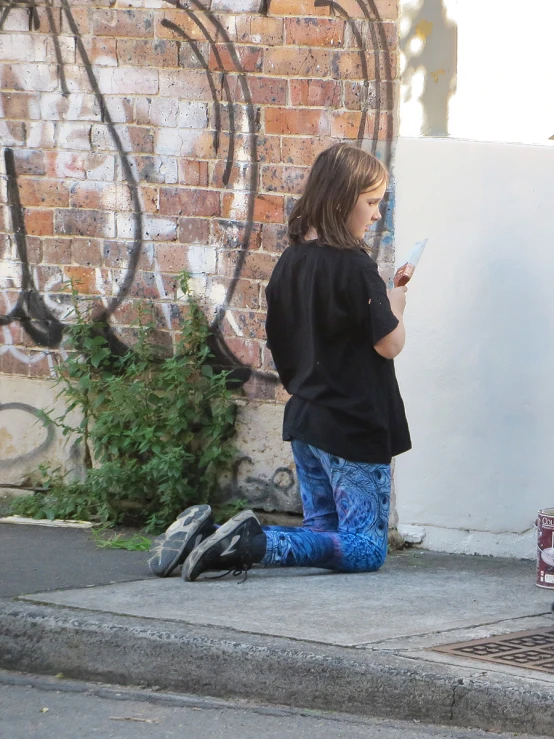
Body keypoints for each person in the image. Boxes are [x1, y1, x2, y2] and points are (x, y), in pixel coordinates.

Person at [148, 143, 411, 582]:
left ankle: (206, 535)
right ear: (343, 199)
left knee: (324, 532)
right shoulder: (356, 268)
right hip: (353, 426)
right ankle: (252, 543)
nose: (377, 214)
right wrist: (396, 303)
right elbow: (389, 345)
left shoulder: (289, 262)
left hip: (307, 420)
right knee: (364, 548)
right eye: (371, 202)